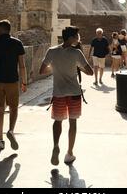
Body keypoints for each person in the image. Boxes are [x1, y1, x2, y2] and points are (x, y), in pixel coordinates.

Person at [39, 26, 93, 166]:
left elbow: (42, 70)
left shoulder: (52, 51)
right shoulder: (77, 53)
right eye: (76, 36)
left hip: (58, 93)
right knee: (73, 122)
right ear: (70, 38)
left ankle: (56, 145)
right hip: (74, 93)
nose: (78, 38)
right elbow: (90, 72)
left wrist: (56, 68)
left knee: (58, 121)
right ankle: (69, 153)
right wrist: (78, 66)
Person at [0, 19, 27, 151]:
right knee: (14, 108)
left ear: (3, 29)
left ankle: (0, 139)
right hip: (13, 82)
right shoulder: (17, 43)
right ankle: (11, 130)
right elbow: (22, 66)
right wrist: (24, 82)